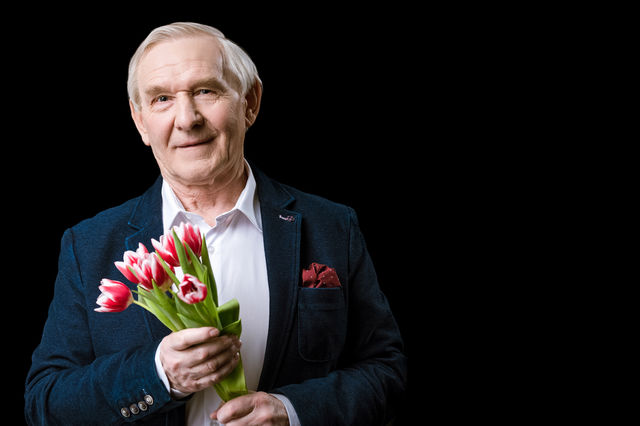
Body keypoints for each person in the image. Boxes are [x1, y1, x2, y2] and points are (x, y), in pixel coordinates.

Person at [24, 22, 407, 425]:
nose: (187, 119)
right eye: (162, 99)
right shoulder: (88, 246)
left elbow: (387, 372)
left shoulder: (333, 226)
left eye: (206, 91)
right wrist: (158, 375)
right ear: (140, 121)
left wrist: (291, 412)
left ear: (250, 102)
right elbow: (45, 401)